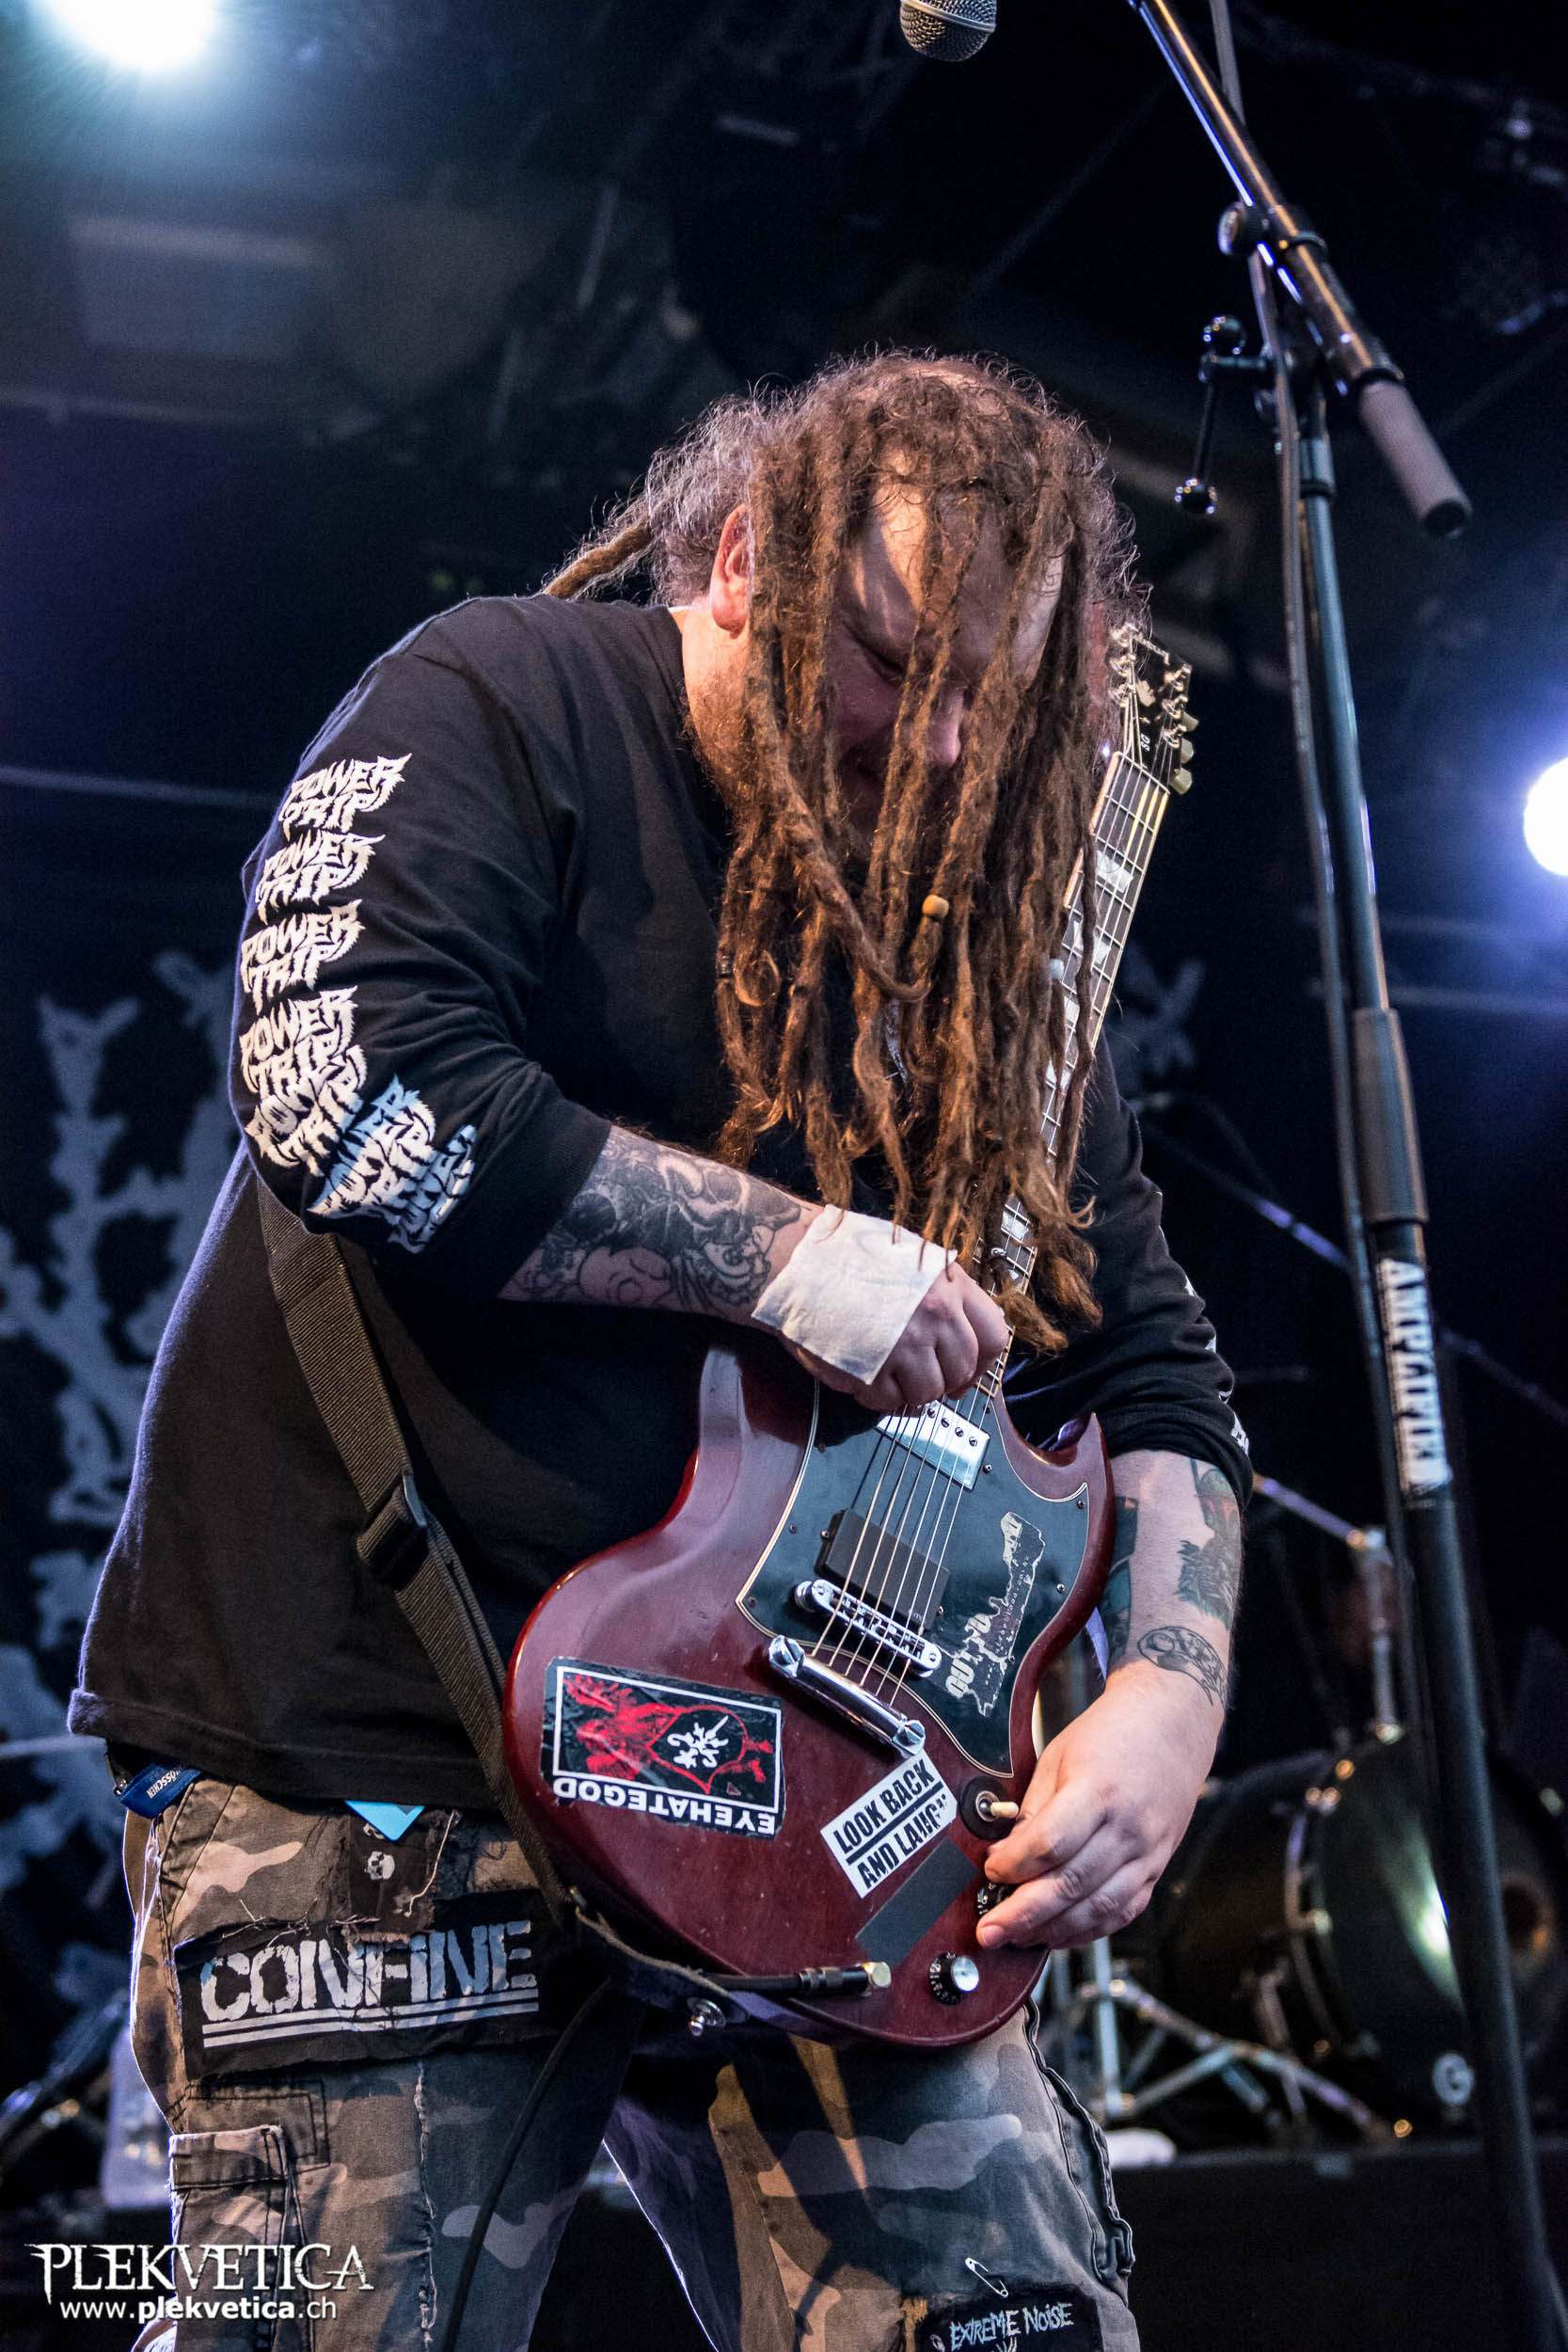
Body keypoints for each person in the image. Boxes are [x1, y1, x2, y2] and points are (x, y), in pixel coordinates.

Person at [72, 353, 1248, 2352]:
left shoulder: (961, 914)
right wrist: (786, 1256)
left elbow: (1149, 1357)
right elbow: (343, 1079)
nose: (937, 742)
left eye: (987, 697)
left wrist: (1164, 1694)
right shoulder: (507, 692)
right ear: (742, 562)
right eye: (894, 661)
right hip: (380, 1766)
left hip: (821, 1804)